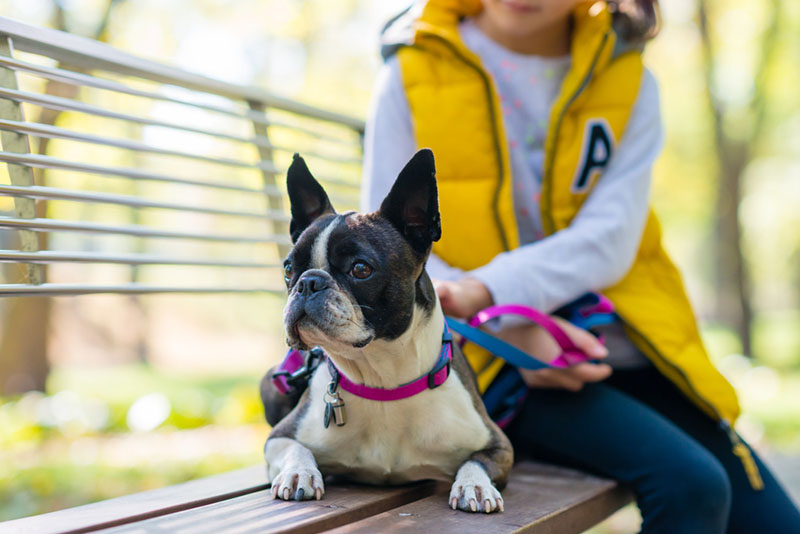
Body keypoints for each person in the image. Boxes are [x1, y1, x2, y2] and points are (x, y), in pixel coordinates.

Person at [361, 1, 800, 532]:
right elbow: (388, 248)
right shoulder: (409, 72)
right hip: (487, 362)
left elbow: (610, 238)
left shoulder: (626, 76)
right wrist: (507, 328)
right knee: (692, 485)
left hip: (628, 346)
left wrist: (491, 288)